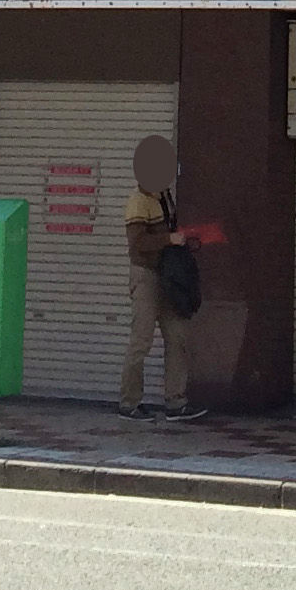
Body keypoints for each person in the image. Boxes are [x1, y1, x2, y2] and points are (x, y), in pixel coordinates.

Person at [119, 132, 199, 420]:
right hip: (146, 275)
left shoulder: (165, 197)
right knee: (141, 340)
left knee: (177, 336)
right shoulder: (138, 201)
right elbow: (137, 243)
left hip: (168, 275)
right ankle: (129, 403)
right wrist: (169, 239)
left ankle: (176, 401)